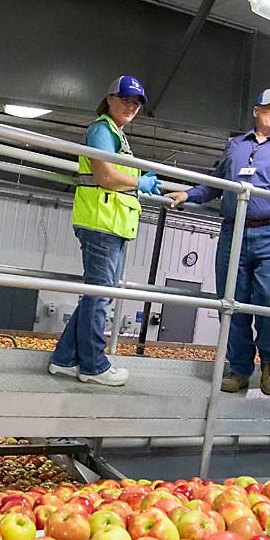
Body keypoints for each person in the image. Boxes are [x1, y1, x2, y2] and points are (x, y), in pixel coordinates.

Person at [166, 88, 270, 396]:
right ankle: (240, 368)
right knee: (231, 301)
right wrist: (188, 194)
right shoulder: (235, 145)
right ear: (256, 110)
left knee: (267, 299)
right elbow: (215, 182)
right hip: (233, 232)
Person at [48, 75, 161, 386]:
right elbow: (105, 175)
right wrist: (141, 182)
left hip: (111, 223)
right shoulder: (102, 130)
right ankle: (94, 366)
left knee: (96, 296)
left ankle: (64, 359)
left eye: (136, 103)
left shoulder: (117, 135)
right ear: (109, 98)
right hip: (101, 223)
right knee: (100, 297)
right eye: (125, 99)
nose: (131, 106)